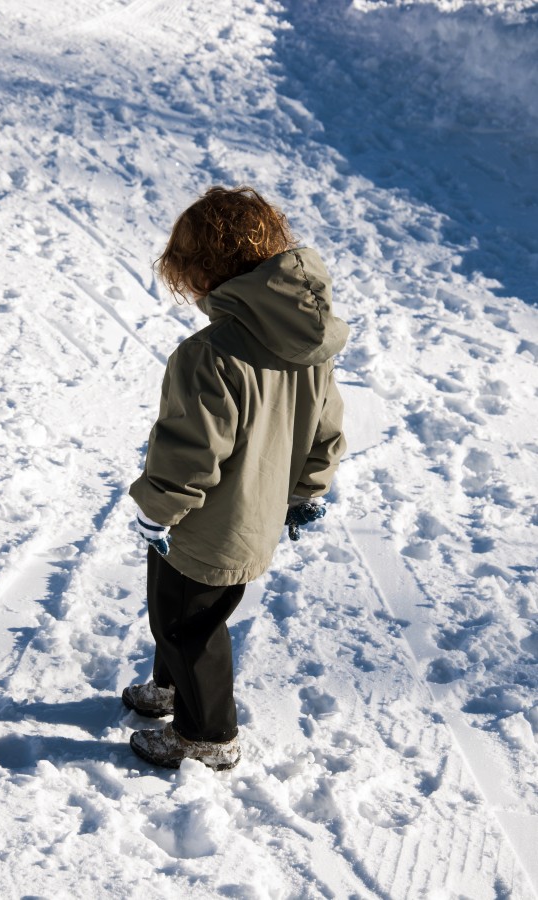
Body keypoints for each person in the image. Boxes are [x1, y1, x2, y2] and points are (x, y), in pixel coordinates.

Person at [124, 186, 349, 770]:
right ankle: (170, 691)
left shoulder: (209, 355)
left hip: (202, 524)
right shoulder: (309, 344)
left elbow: (191, 451)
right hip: (257, 516)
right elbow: (326, 429)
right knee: (179, 613)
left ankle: (207, 736)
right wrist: (307, 491)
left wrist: (157, 507)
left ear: (202, 274)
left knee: (187, 625)